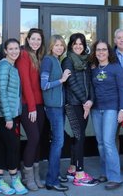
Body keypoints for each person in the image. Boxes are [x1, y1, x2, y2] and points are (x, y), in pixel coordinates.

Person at [0, 38, 28, 195]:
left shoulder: (11, 66)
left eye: (16, 48)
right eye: (11, 49)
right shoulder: (4, 66)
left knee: (1, 147)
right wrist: (8, 117)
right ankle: (14, 179)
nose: (14, 51)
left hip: (10, 114)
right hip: (5, 116)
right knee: (13, 147)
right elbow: (1, 92)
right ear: (5, 50)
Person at [61, 33, 98, 187]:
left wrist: (90, 101)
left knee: (78, 137)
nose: (78, 46)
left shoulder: (86, 62)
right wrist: (85, 101)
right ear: (71, 45)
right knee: (80, 136)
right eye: (75, 43)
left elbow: (90, 82)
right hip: (73, 104)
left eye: (81, 44)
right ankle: (80, 175)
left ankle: (72, 168)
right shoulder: (67, 60)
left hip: (84, 104)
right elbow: (71, 82)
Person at [89, 40, 123, 190]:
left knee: (108, 142)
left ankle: (115, 177)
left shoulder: (116, 68)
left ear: (108, 52)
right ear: (95, 52)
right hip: (96, 109)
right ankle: (105, 173)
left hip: (111, 108)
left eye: (104, 50)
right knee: (101, 143)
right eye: (98, 50)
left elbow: (122, 90)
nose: (101, 52)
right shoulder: (93, 69)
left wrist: (122, 109)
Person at [16, 28, 46, 191]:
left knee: (38, 140)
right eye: (33, 39)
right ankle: (27, 175)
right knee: (33, 138)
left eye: (39, 39)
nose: (36, 42)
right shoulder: (24, 55)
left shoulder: (39, 57)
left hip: (40, 105)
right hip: (28, 105)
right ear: (27, 40)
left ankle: (36, 174)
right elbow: (26, 82)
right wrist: (32, 108)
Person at [40, 35, 71, 192]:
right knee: (58, 143)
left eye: (61, 45)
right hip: (52, 107)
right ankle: (51, 180)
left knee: (59, 142)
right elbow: (44, 85)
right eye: (56, 45)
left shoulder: (57, 61)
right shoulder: (48, 60)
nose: (59, 47)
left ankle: (55, 174)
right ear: (51, 46)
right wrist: (62, 79)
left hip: (59, 107)